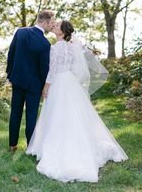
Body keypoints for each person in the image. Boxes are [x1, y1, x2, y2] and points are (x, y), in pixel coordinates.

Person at [26, 20, 128, 182]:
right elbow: (76, 67)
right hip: (70, 82)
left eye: (57, 25)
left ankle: (59, 148)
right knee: (73, 115)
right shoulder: (73, 46)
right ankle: (82, 144)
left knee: (57, 115)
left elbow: (52, 70)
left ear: (62, 32)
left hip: (59, 82)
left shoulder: (55, 48)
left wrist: (46, 87)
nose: (54, 25)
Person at [6, 10, 55, 151]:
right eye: (51, 23)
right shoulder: (45, 44)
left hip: (17, 79)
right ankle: (30, 147)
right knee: (31, 116)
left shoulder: (20, 32)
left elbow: (11, 53)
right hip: (34, 85)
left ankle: (12, 145)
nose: (52, 25)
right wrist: (43, 87)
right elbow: (43, 69)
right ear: (44, 22)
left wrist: (10, 74)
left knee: (15, 112)